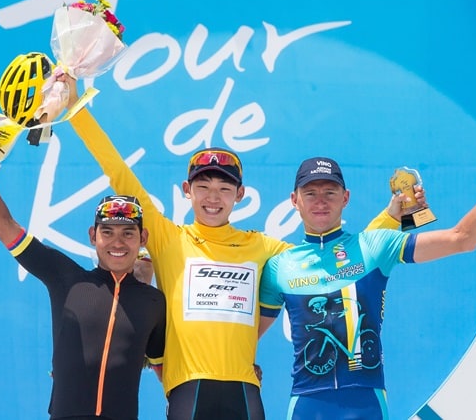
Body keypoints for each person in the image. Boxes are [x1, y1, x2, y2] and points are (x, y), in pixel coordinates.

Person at [66, 92, 424, 419]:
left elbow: (337, 258)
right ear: (186, 190)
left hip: (244, 388)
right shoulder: (167, 237)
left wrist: (392, 217)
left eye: (224, 188)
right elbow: (118, 172)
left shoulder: (262, 247)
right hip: (188, 387)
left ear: (240, 194)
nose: (213, 197)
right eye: (203, 187)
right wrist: (75, 108)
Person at [257, 144, 476, 420]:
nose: (320, 201)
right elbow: (247, 335)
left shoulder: (375, 246)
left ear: (345, 198)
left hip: (366, 403)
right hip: (308, 404)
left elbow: (463, 239)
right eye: (310, 193)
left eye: (330, 192)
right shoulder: (280, 266)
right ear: (294, 199)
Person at [0, 120, 166, 420]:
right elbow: (2, 226)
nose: (117, 242)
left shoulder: (154, 302)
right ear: (93, 236)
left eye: (128, 233)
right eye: (108, 232)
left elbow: (166, 372)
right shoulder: (66, 278)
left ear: (142, 239)